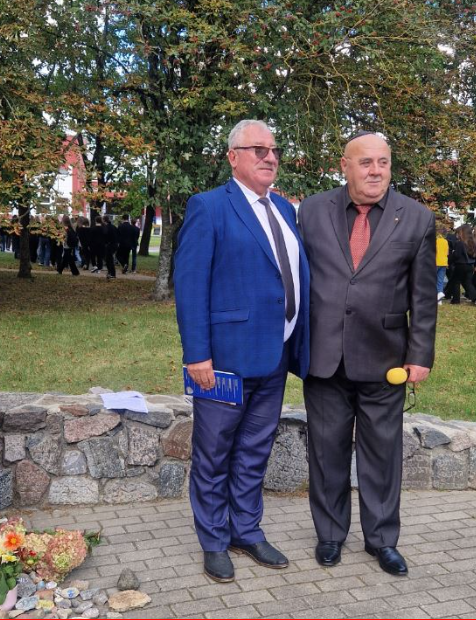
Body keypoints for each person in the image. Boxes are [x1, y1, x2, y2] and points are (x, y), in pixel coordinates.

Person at [174, 120, 310, 584]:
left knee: (254, 452)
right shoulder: (209, 206)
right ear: (233, 157)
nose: (269, 157)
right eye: (258, 149)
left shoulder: (285, 209)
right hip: (223, 362)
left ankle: (246, 531)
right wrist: (197, 355)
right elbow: (191, 286)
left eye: (274, 149)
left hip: (275, 356)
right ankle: (214, 540)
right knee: (214, 453)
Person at [299, 132, 436, 578]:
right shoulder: (312, 210)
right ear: (345, 166)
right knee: (327, 452)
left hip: (386, 359)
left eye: (383, 162)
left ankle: (382, 540)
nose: (376, 171)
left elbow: (423, 297)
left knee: (382, 455)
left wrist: (420, 354)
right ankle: (330, 535)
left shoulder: (416, 218)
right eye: (366, 162)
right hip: (324, 357)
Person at [447, 224, 476, 305]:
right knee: (468, 282)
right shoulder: (473, 242)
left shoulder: (460, 243)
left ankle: (456, 300)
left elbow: (456, 255)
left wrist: (450, 259)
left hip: (461, 265)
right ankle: (475, 296)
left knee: (456, 281)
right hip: (470, 265)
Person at [435, 225, 449, 303]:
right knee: (440, 281)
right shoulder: (445, 241)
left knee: (432, 280)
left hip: (435, 262)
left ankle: (434, 296)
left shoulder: (435, 241)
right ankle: (439, 299)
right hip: (444, 263)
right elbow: (447, 253)